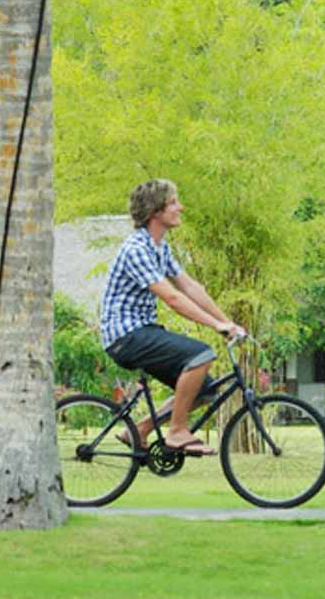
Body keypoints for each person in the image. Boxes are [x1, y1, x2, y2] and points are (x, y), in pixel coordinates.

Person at [98, 178, 246, 456]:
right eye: (173, 203)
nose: (181, 207)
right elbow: (173, 298)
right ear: (156, 211)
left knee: (204, 389)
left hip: (143, 331)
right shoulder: (137, 249)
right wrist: (216, 325)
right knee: (201, 354)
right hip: (125, 336)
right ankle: (177, 432)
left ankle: (139, 430)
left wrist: (227, 322)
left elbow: (190, 287)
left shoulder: (159, 247)